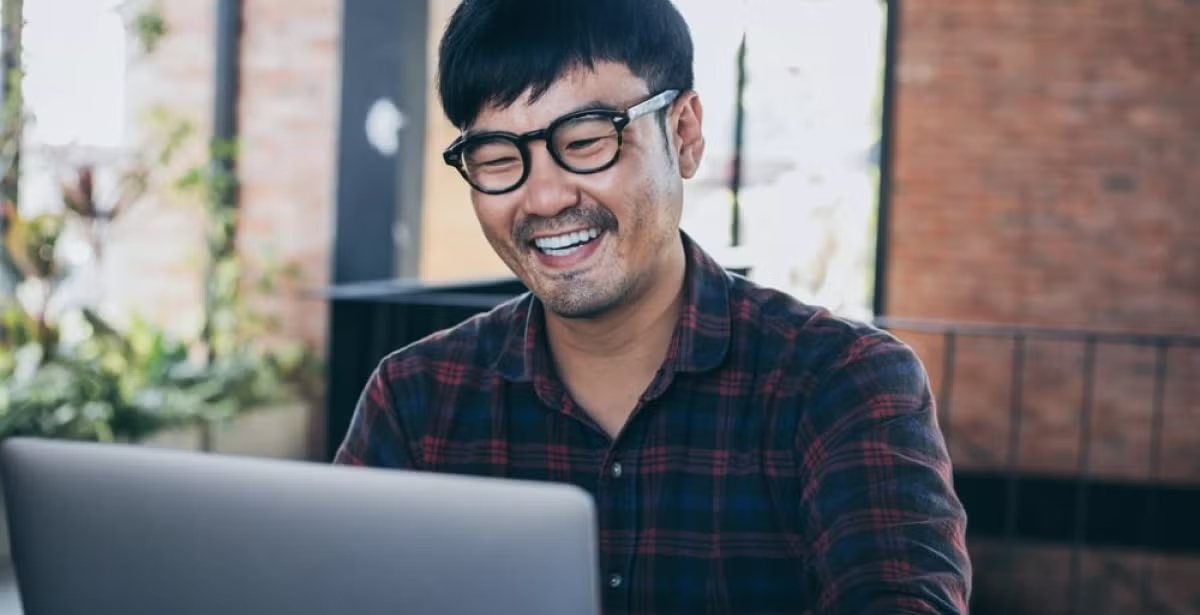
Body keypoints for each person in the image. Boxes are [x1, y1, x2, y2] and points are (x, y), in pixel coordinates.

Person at [334, 0, 972, 612]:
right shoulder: (417, 397)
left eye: (585, 141)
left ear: (685, 133)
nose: (546, 197)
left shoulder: (841, 383)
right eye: (499, 158)